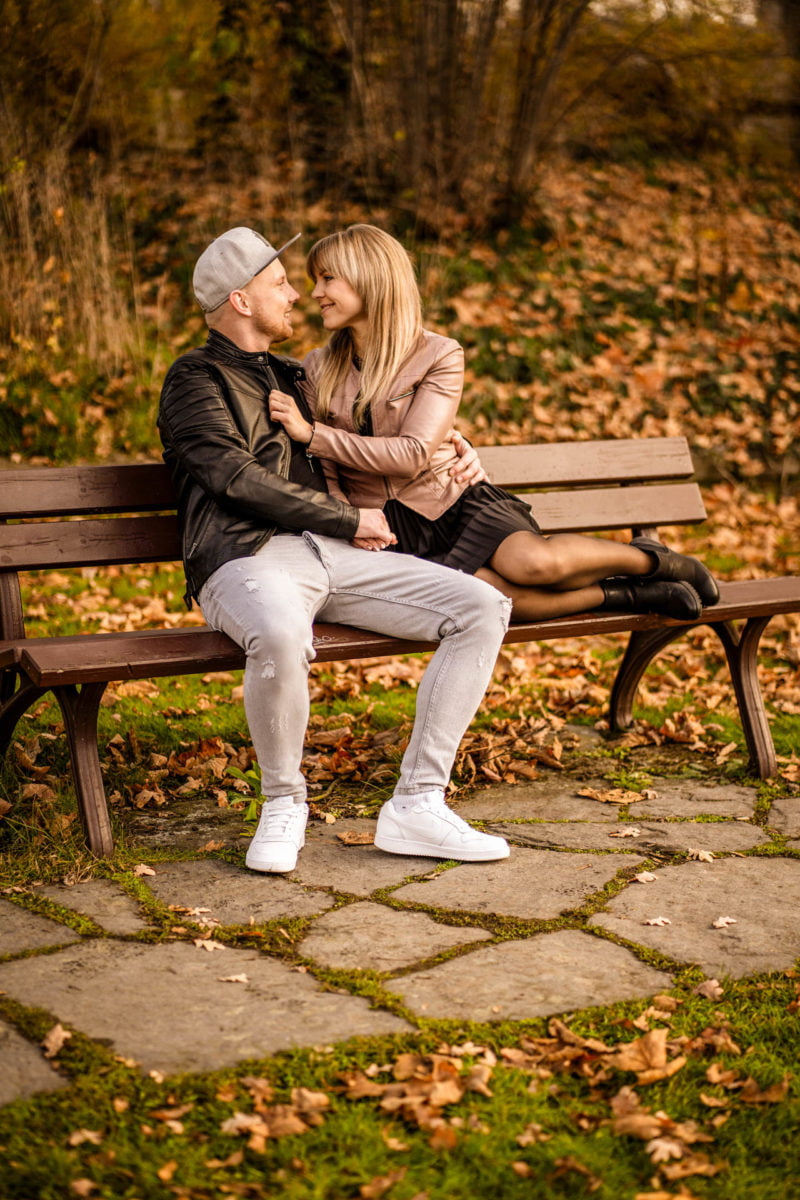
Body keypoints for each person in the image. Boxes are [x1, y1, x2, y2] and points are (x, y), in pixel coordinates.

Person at [158, 227, 512, 875]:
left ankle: (418, 803)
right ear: (241, 301)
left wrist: (454, 444)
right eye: (280, 284)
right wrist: (347, 518)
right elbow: (231, 477)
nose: (297, 295)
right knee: (280, 632)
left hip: (333, 554)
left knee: (482, 606)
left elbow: (380, 430)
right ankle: (283, 801)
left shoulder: (301, 375)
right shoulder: (194, 379)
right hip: (245, 558)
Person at [268, 223, 720, 623]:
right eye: (315, 281)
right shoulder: (316, 367)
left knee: (533, 565)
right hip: (389, 525)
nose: (316, 293)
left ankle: (652, 562)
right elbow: (321, 464)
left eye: (328, 279)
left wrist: (315, 434)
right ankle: (622, 595)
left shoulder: (438, 354)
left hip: (449, 498)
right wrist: (349, 517)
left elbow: (411, 455)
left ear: (370, 278)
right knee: (493, 594)